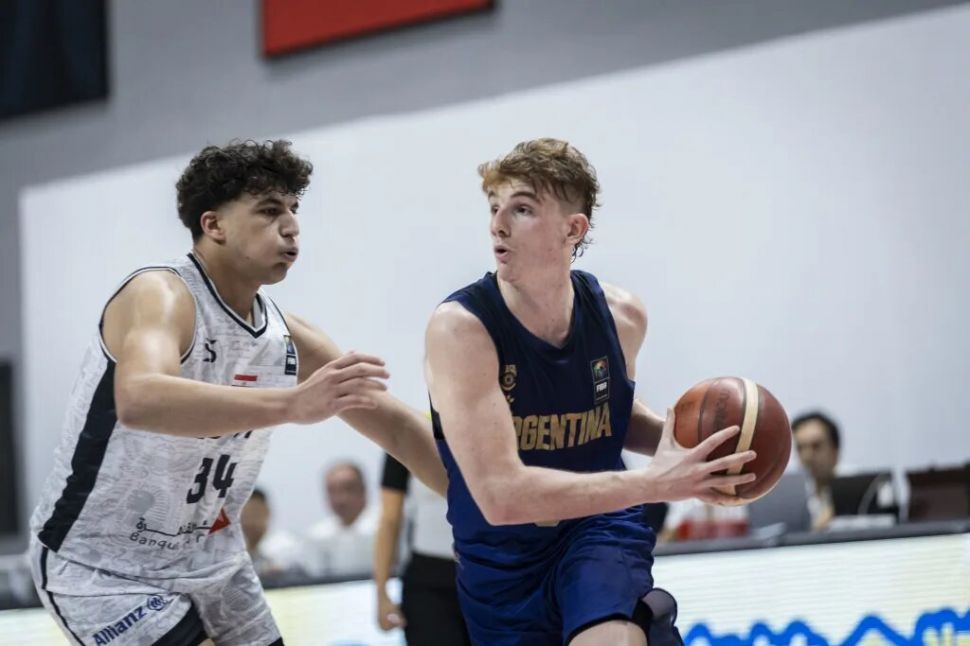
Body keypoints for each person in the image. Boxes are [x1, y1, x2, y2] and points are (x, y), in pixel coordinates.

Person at [28, 139, 446, 646]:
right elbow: (139, 399)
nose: (291, 226)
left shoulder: (288, 335)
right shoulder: (161, 294)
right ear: (214, 225)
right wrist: (292, 404)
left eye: (293, 209)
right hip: (103, 563)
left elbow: (397, 428)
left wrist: (493, 509)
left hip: (211, 557)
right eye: (269, 211)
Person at [424, 138, 757, 646]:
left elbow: (608, 414)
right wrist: (657, 483)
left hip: (598, 528)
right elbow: (501, 497)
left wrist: (695, 449)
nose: (498, 225)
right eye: (494, 208)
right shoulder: (462, 329)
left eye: (522, 209)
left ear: (573, 229)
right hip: (501, 562)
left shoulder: (621, 316)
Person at [374, 452, 470, 646]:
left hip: (490, 571)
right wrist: (381, 593)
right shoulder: (406, 434)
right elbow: (390, 520)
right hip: (428, 581)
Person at [304, 462, 379, 578]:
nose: (340, 499)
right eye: (332, 491)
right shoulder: (318, 535)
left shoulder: (385, 527)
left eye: (348, 489)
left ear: (363, 490)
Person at [240, 488, 304, 584]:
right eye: (246, 515)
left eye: (256, 513)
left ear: (267, 512)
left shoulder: (287, 545)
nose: (251, 521)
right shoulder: (233, 551)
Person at [792, 411, 841, 530]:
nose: (807, 456)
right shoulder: (791, 498)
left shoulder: (862, 488)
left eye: (816, 446)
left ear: (835, 450)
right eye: (800, 448)